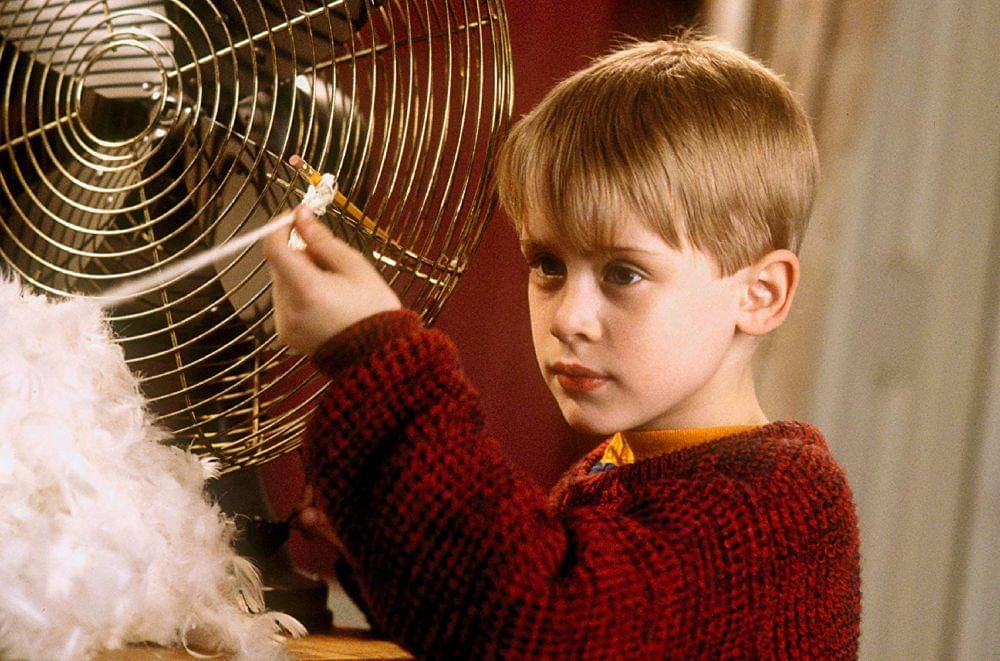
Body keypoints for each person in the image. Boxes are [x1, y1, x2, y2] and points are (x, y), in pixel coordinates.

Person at [263, 34, 861, 659]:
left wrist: (376, 358)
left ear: (760, 295)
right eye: (548, 265)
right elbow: (482, 625)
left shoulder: (784, 505)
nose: (568, 318)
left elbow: (540, 622)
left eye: (623, 273)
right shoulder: (613, 469)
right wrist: (383, 538)